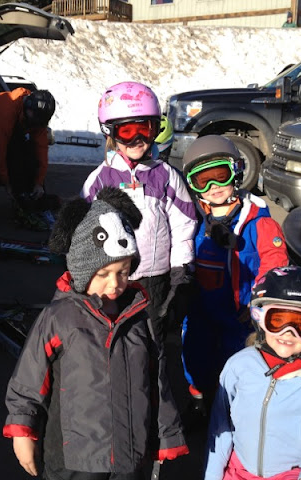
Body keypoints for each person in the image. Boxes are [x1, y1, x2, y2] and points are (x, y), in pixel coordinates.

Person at [4, 186, 189, 479]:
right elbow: (29, 380)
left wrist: (166, 435)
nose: (115, 283)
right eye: (103, 274)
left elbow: (156, 381)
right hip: (75, 459)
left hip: (130, 455)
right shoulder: (59, 317)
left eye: (123, 272)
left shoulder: (138, 318)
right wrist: (22, 430)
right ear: (81, 271)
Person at [204, 265, 301, 480]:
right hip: (239, 471)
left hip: (292, 474)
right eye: (278, 320)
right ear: (259, 318)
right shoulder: (238, 366)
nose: (288, 333)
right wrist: (212, 474)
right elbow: (220, 426)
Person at [179, 135, 288, 419]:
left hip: (239, 311)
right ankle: (198, 397)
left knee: (238, 359)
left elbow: (274, 264)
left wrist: (258, 302)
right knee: (195, 352)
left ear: (236, 172)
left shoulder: (257, 221)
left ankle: (232, 407)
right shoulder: (193, 218)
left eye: (220, 176)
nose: (213, 187)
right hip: (201, 305)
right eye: (203, 181)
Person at [81, 81, 198, 344]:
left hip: (154, 280)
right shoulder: (99, 180)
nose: (137, 140)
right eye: (127, 131)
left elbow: (184, 226)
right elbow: (83, 232)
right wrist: (86, 274)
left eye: (145, 129)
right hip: (111, 279)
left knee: (152, 342)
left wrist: (181, 274)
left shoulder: (166, 176)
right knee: (111, 340)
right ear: (110, 132)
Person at [0, 88, 57, 231]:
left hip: (14, 124)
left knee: (30, 152)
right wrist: (7, 182)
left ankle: (38, 201)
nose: (34, 124)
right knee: (15, 151)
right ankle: (21, 204)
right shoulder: (7, 112)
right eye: (33, 119)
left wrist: (39, 183)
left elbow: (41, 151)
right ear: (28, 106)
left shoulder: (37, 117)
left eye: (38, 122)